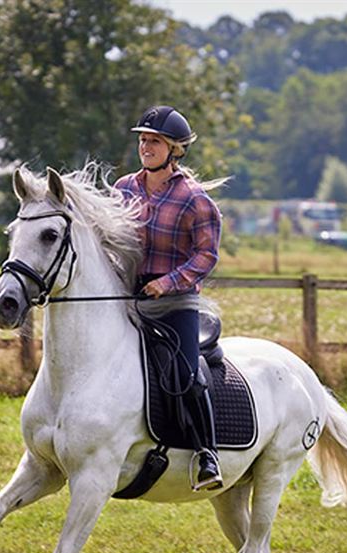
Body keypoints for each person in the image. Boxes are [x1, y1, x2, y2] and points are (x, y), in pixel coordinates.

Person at [113, 105, 224, 491]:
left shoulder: (194, 200)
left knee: (186, 374)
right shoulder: (124, 188)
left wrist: (168, 282)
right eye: (143, 140)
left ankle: (206, 454)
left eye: (154, 141)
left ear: (175, 149)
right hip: (129, 298)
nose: (146, 146)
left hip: (175, 302)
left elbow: (207, 256)